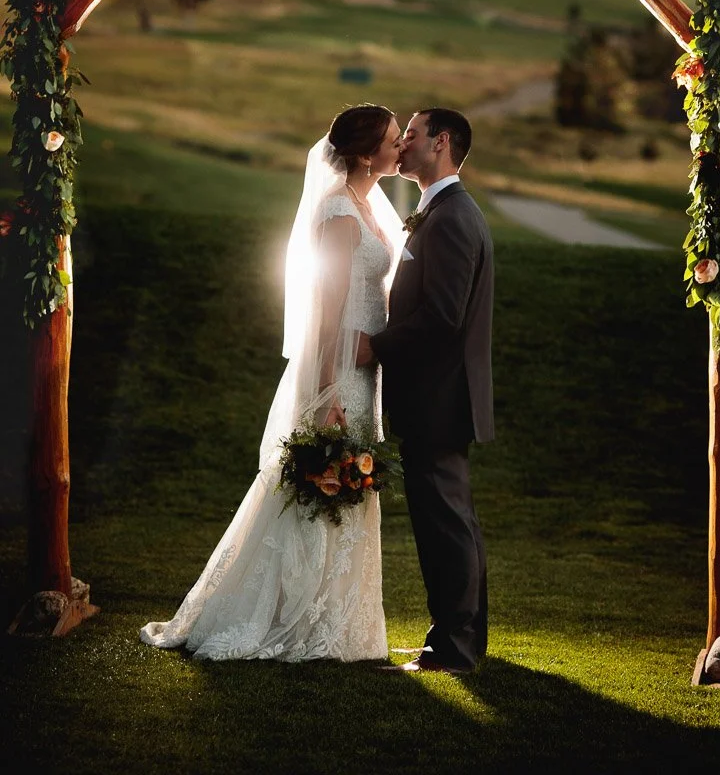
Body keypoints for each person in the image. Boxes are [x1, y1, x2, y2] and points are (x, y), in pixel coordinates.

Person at [140, 104, 404, 662]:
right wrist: (328, 391)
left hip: (365, 371)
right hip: (339, 371)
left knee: (348, 486)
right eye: (392, 139)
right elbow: (327, 309)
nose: (400, 145)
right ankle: (290, 616)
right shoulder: (338, 212)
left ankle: (339, 620)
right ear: (365, 154)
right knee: (320, 486)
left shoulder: (368, 205)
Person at [358, 107, 494, 674]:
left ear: (440, 143)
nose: (403, 144)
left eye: (411, 134)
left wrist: (377, 346)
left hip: (438, 397)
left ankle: (453, 648)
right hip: (438, 396)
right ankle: (462, 639)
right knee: (452, 520)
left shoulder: (452, 218)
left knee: (445, 524)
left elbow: (442, 316)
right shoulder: (441, 212)